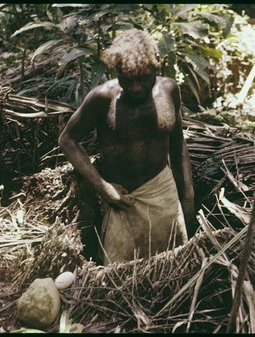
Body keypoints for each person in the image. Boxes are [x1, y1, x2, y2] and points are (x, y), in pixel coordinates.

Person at [58, 28, 195, 265]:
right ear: (116, 71)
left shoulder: (170, 90)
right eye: (127, 79)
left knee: (172, 264)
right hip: (123, 200)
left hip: (163, 194)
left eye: (142, 78)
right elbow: (67, 140)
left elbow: (177, 143)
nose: (135, 87)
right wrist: (103, 188)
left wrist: (188, 196)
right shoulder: (102, 97)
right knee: (117, 274)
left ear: (157, 66)